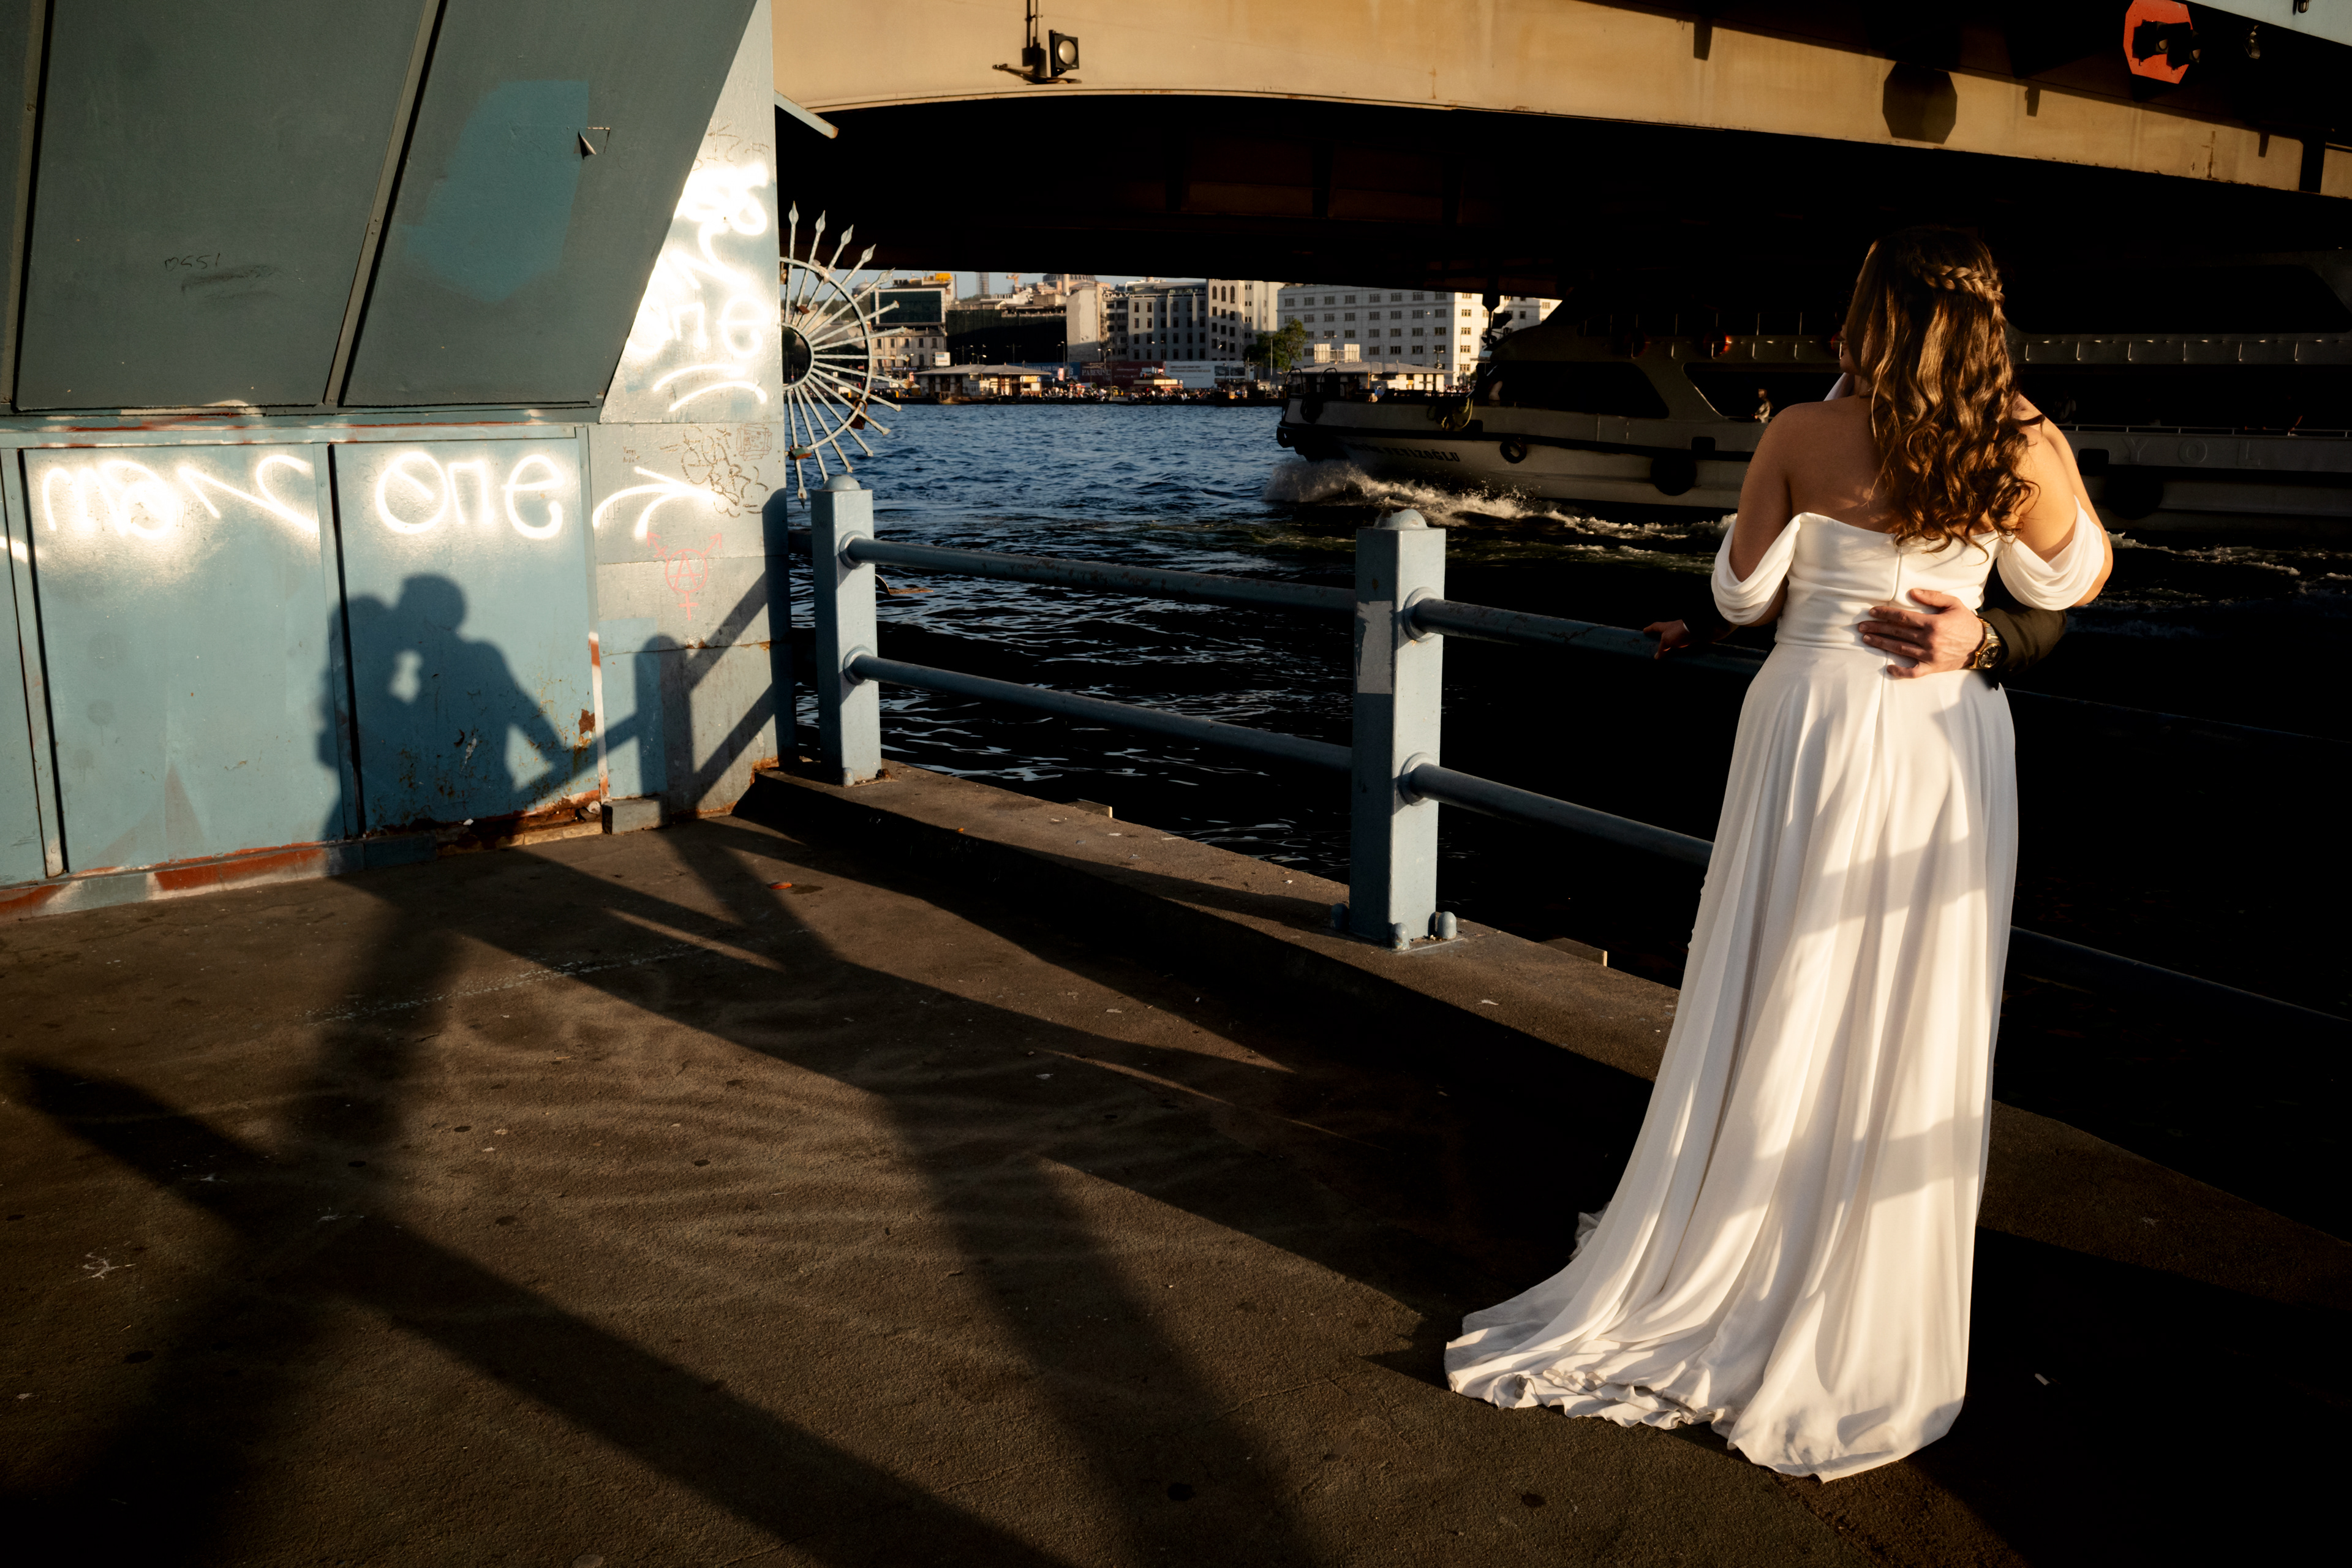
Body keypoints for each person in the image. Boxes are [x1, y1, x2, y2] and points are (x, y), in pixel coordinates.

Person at [1446, 228, 2111, 1479]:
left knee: (1779, 984)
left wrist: (1765, 587)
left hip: (1811, 724)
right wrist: (1981, 622)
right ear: (1982, 325)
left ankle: (1731, 1242)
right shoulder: (2022, 441)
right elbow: (2073, 577)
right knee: (1907, 1008)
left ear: (1868, 317)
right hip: (1939, 740)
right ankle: (1861, 1279)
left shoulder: (1803, 431)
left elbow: (1745, 595)